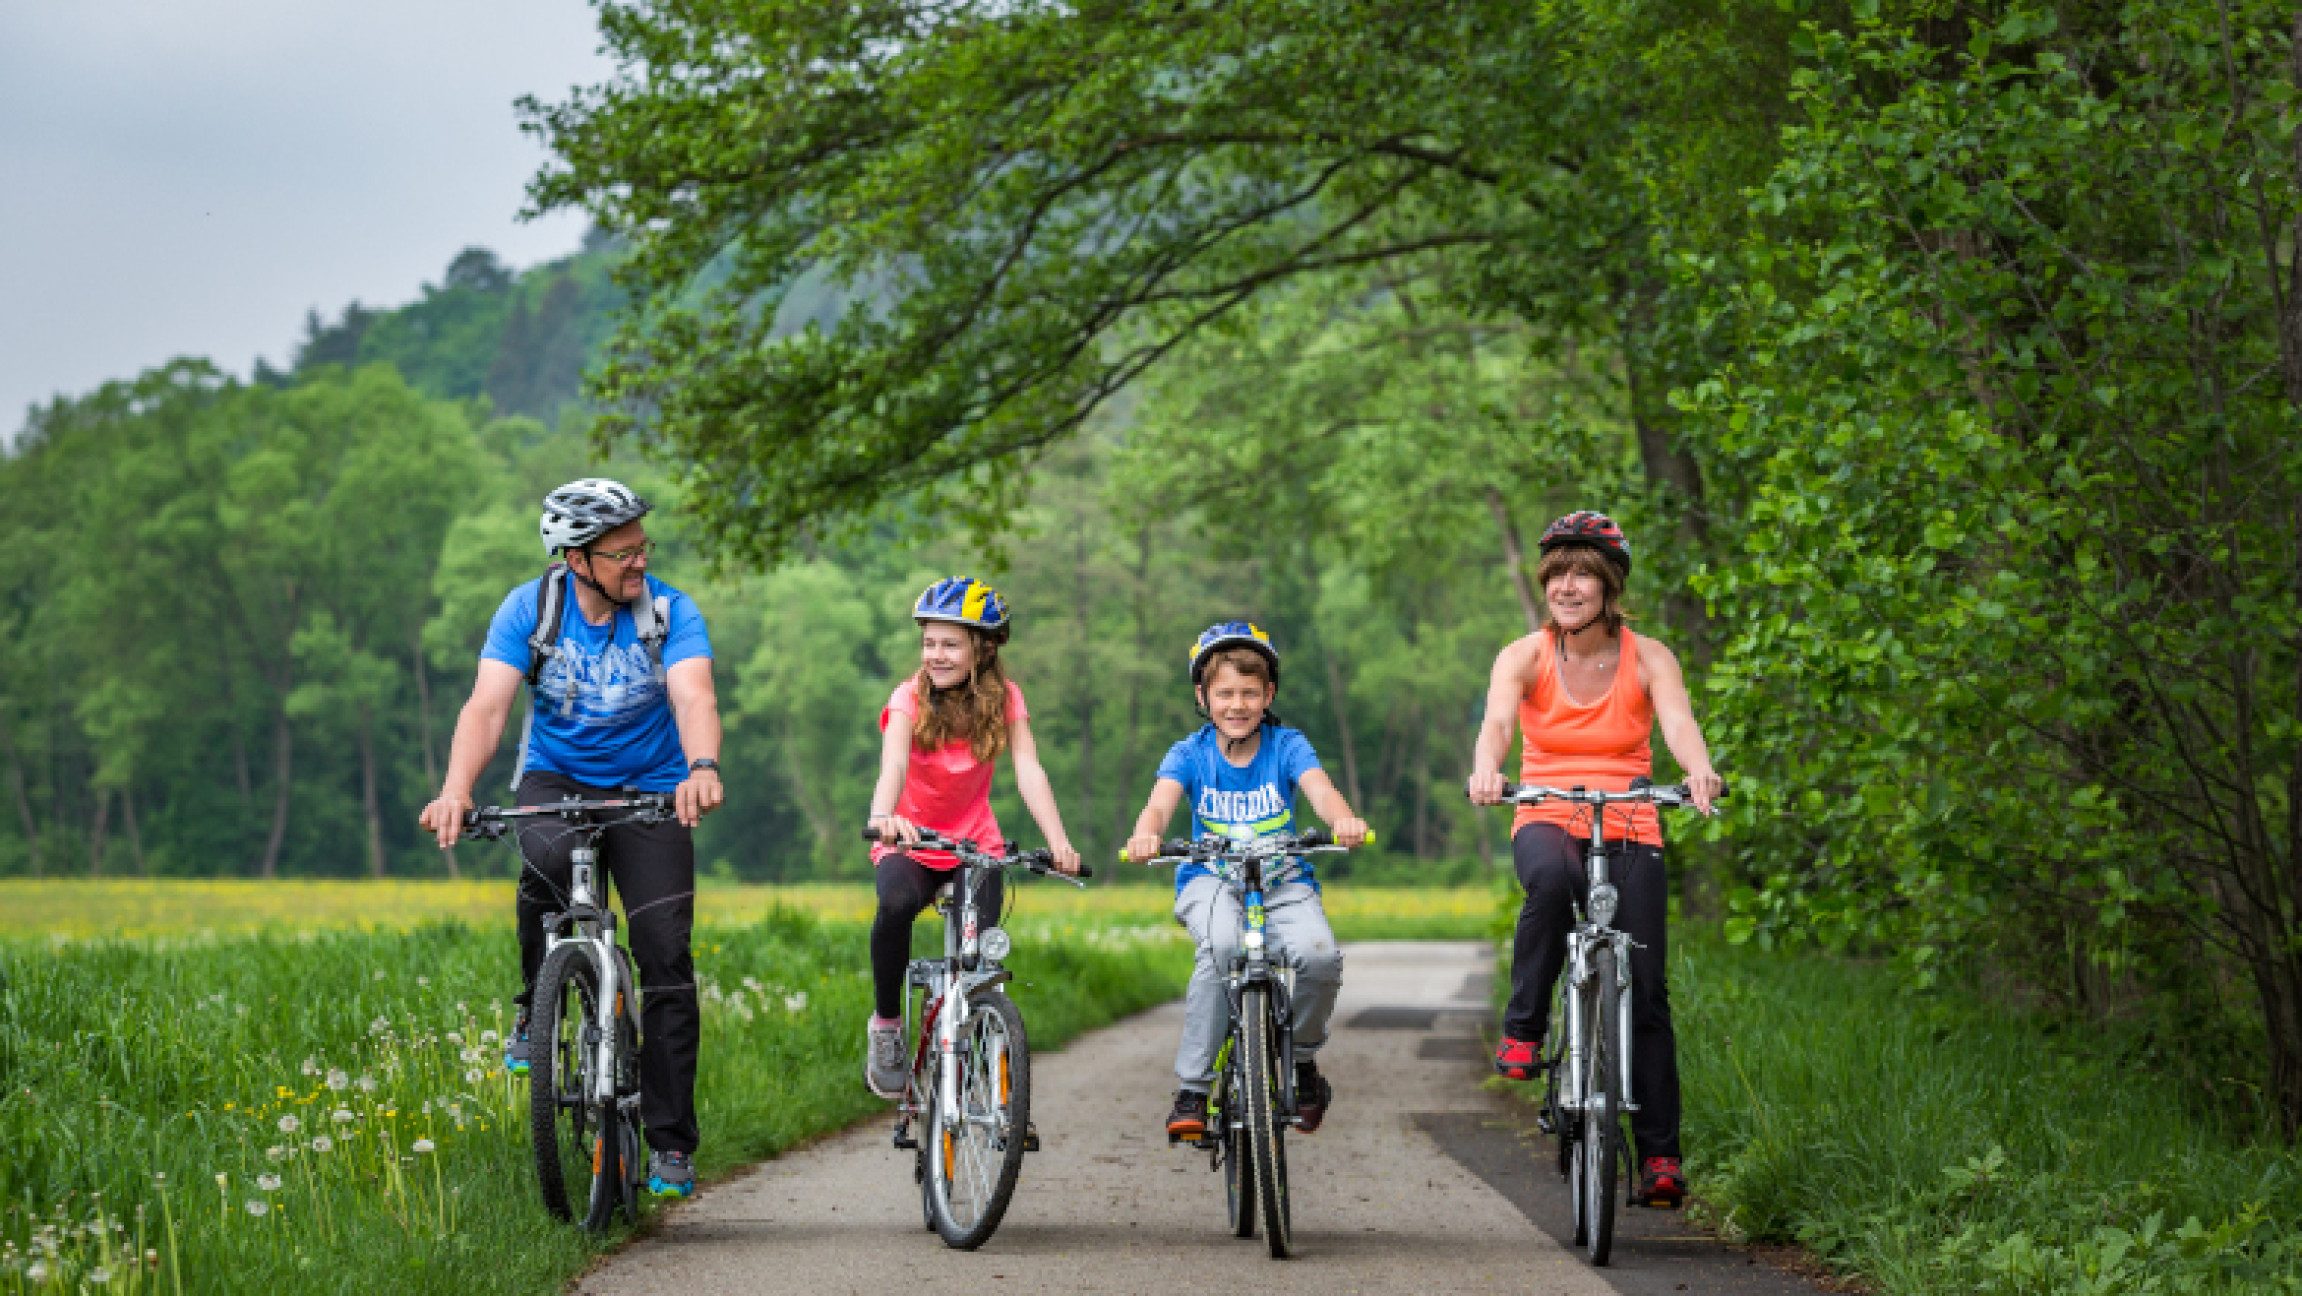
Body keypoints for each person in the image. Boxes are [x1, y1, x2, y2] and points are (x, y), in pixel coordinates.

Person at [417, 477, 725, 1200]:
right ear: (576, 558)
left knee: (665, 955)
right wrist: (458, 789)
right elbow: (488, 707)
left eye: (642, 548)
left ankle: (671, 1143)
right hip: (557, 778)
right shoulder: (531, 608)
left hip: (653, 787)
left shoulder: (669, 611)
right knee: (545, 857)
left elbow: (693, 693)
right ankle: (538, 1001)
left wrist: (702, 766)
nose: (639, 563)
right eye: (623, 553)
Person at [1466, 509, 1722, 1209]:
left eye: (1582, 574)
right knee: (1549, 883)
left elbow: (1677, 721)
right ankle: (1523, 1030)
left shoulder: (1650, 655)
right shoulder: (1524, 656)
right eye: (1557, 575)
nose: (1567, 586)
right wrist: (1488, 769)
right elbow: (1494, 723)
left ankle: (1661, 1158)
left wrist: (1698, 771)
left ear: (1610, 587)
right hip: (1547, 808)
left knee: (1646, 987)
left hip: (1631, 813)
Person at [1125, 622, 1368, 1142]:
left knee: (1320, 956)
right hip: (1211, 882)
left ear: (1268, 695)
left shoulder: (1288, 745)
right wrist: (1146, 835)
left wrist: (1342, 820)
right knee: (1221, 950)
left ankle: (1301, 1061)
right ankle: (1193, 1088)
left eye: (1249, 693)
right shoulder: (1189, 754)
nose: (1237, 705)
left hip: (1283, 883)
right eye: (1225, 693)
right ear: (1203, 696)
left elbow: (1321, 791)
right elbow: (1159, 804)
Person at [862, 577, 1082, 1098]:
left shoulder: (1005, 699)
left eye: (949, 644)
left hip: (974, 844)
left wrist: (1059, 841)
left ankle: (976, 1037)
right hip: (911, 838)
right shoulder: (907, 697)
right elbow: (893, 762)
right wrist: (882, 816)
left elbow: (1028, 768)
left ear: (982, 650)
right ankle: (888, 1025)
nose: (935, 655)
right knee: (894, 905)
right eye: (929, 642)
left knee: (979, 952)